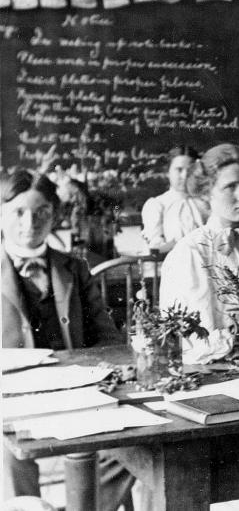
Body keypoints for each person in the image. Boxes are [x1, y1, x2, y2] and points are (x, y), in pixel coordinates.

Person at [1, 169, 129, 510]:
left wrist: (111, 369)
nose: (31, 222)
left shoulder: (74, 268)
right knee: (8, 447)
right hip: (12, 397)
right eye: (19, 212)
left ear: (54, 215)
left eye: (42, 212)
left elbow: (108, 339)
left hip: (73, 392)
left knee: (134, 444)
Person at [158, 143, 239, 364]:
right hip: (214, 371)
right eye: (230, 187)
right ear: (206, 192)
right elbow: (196, 344)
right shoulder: (191, 252)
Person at [141, 145, 209, 254]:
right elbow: (156, 247)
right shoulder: (158, 204)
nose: (185, 175)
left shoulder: (204, 203)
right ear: (168, 172)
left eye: (190, 170)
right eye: (179, 170)